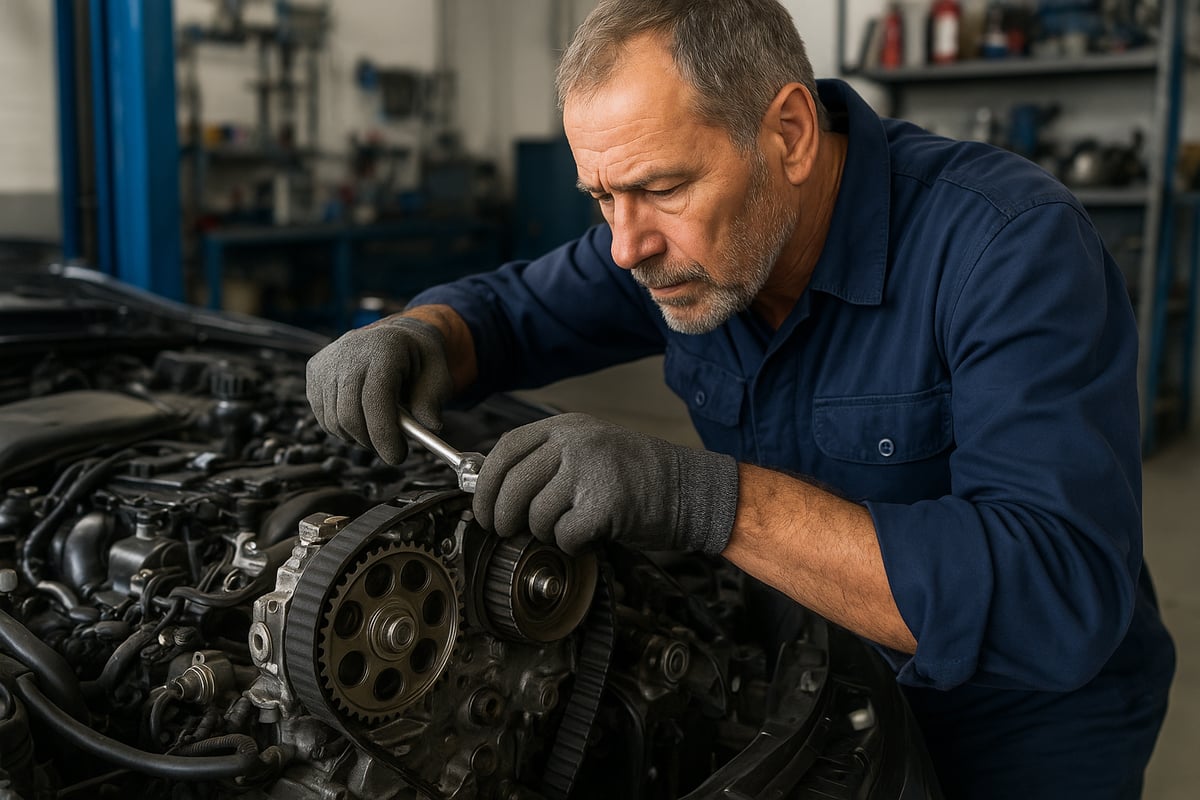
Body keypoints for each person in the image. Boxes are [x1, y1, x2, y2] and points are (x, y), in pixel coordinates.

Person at [305, 0, 1175, 796]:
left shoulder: (1008, 249)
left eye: (660, 188)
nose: (624, 247)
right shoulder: (679, 245)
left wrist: (701, 498)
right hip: (817, 677)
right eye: (602, 197)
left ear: (789, 133)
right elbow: (511, 312)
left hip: (1020, 727)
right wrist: (421, 336)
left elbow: (1052, 593)